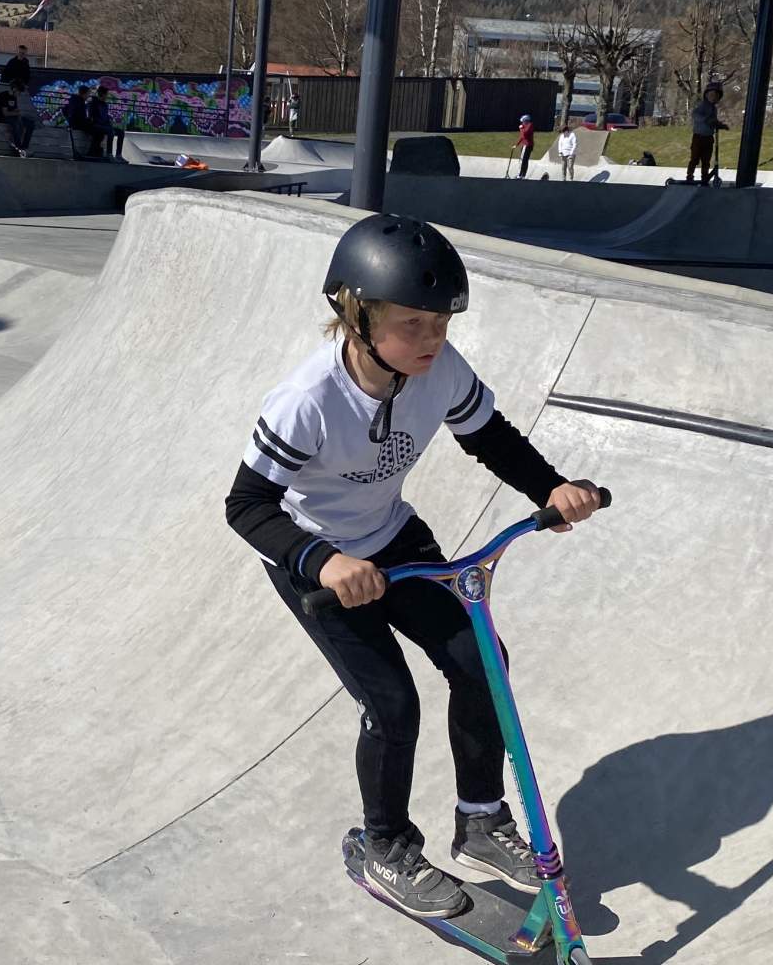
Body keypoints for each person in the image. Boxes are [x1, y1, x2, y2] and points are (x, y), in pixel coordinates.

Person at [224, 214, 607, 919]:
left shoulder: (441, 371)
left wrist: (551, 488)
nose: (432, 339)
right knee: (393, 704)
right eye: (413, 324)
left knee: (482, 661)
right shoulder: (309, 400)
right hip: (318, 558)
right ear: (357, 316)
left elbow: (491, 438)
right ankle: (386, 846)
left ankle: (480, 819)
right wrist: (322, 561)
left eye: (442, 323)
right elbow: (246, 505)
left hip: (394, 537)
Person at [689, 80, 729, 183]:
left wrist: (721, 125)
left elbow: (714, 121)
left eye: (716, 96)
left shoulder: (714, 109)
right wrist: (705, 119)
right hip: (699, 137)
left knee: (706, 159)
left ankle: (704, 176)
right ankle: (690, 176)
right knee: (695, 158)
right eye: (711, 95)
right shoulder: (702, 106)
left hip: (708, 138)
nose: (714, 98)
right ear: (706, 95)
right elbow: (695, 114)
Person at [0, 81, 37, 156]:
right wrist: (17, 113)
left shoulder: (14, 97)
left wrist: (20, 112)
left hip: (13, 117)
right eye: (19, 92)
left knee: (30, 123)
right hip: (2, 117)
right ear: (14, 89)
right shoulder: (4, 96)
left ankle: (24, 147)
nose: (19, 94)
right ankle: (19, 148)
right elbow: (5, 113)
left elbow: (14, 110)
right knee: (16, 123)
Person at [88, 85, 125, 159]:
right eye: (106, 94)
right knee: (110, 131)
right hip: (96, 125)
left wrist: (109, 123)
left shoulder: (105, 105)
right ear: (103, 94)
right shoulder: (94, 104)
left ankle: (118, 155)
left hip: (104, 125)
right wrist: (105, 125)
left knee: (121, 132)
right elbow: (92, 117)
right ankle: (109, 153)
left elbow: (106, 117)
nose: (107, 96)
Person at [64, 83, 96, 156]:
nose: (89, 96)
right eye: (88, 94)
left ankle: (91, 151)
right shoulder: (79, 101)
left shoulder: (74, 99)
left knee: (95, 129)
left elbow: (64, 110)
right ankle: (91, 152)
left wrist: (68, 119)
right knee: (96, 131)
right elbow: (80, 116)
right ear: (84, 94)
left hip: (76, 123)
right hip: (78, 124)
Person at [515, 114, 535, 178]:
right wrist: (516, 144)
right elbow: (521, 137)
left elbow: (525, 134)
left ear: (526, 121)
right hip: (524, 145)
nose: (522, 123)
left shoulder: (530, 125)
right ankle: (521, 174)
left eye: (523, 121)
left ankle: (521, 174)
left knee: (524, 160)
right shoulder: (524, 126)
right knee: (522, 160)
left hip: (528, 145)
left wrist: (521, 128)